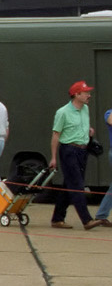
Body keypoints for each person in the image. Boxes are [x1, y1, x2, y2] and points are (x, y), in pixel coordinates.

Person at [49, 80, 95, 229]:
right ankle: (87, 220)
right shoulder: (62, 112)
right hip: (69, 150)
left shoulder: (85, 109)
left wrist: (88, 132)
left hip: (83, 150)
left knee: (69, 184)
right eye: (86, 92)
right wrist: (54, 157)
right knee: (77, 185)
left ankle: (57, 218)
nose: (89, 95)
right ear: (76, 94)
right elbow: (56, 135)